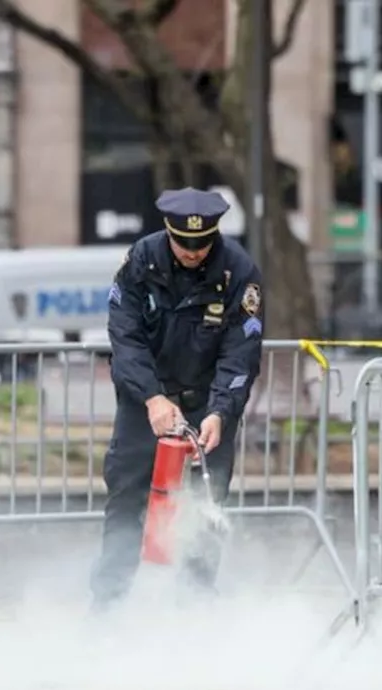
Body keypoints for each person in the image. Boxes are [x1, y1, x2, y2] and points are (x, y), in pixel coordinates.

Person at [91, 187, 265, 613]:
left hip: (208, 405)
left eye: (201, 243)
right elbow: (125, 338)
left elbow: (240, 351)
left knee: (207, 504)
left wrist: (221, 412)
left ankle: (195, 605)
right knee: (127, 496)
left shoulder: (238, 271)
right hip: (145, 404)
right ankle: (107, 606)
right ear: (168, 232)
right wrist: (152, 397)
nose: (192, 252)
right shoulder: (140, 262)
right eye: (183, 243)